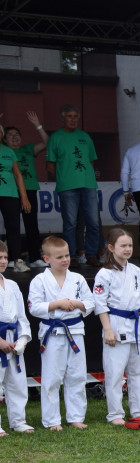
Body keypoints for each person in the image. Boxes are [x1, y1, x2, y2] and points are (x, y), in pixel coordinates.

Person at [28, 236, 93, 430]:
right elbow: (33, 307)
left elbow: (90, 303)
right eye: (59, 257)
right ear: (47, 259)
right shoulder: (40, 280)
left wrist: (77, 304)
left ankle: (76, 417)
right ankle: (52, 420)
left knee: (77, 375)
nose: (65, 260)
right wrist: (57, 304)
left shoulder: (77, 279)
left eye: (67, 255)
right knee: (52, 377)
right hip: (52, 332)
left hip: (75, 331)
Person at [94, 228, 140, 426]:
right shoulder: (104, 274)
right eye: (123, 246)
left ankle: (137, 410)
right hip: (116, 326)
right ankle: (115, 414)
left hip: (137, 325)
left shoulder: (137, 271)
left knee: (139, 372)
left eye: (130, 245)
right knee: (115, 373)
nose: (128, 249)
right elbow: (100, 304)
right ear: (111, 248)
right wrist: (107, 329)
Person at [46, 105, 102, 266]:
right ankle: (70, 256)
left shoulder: (85, 136)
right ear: (62, 118)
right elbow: (50, 165)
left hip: (88, 184)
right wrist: (64, 178)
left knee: (93, 222)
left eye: (75, 116)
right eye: (69, 116)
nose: (73, 119)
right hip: (67, 187)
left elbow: (91, 160)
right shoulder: (56, 138)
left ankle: (91, 254)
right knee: (70, 224)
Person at [1, 110, 47, 268]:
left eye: (17, 134)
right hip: (10, 192)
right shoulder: (5, 150)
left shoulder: (26, 149)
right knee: (12, 225)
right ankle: (9, 257)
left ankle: (31, 258)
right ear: (4, 139)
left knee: (29, 225)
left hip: (26, 190)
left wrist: (37, 125)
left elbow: (47, 143)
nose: (14, 137)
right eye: (10, 135)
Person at [0, 241, 34, 435]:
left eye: (5, 257)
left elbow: (22, 317)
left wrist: (22, 339)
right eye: (0, 258)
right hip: (1, 337)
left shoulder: (12, 285)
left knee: (17, 382)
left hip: (13, 338)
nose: (3, 261)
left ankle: (18, 421)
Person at [0, 134, 31, 272]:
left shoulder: (8, 151)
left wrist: (24, 197)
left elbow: (18, 174)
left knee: (13, 227)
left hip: (10, 193)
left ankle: (16, 260)